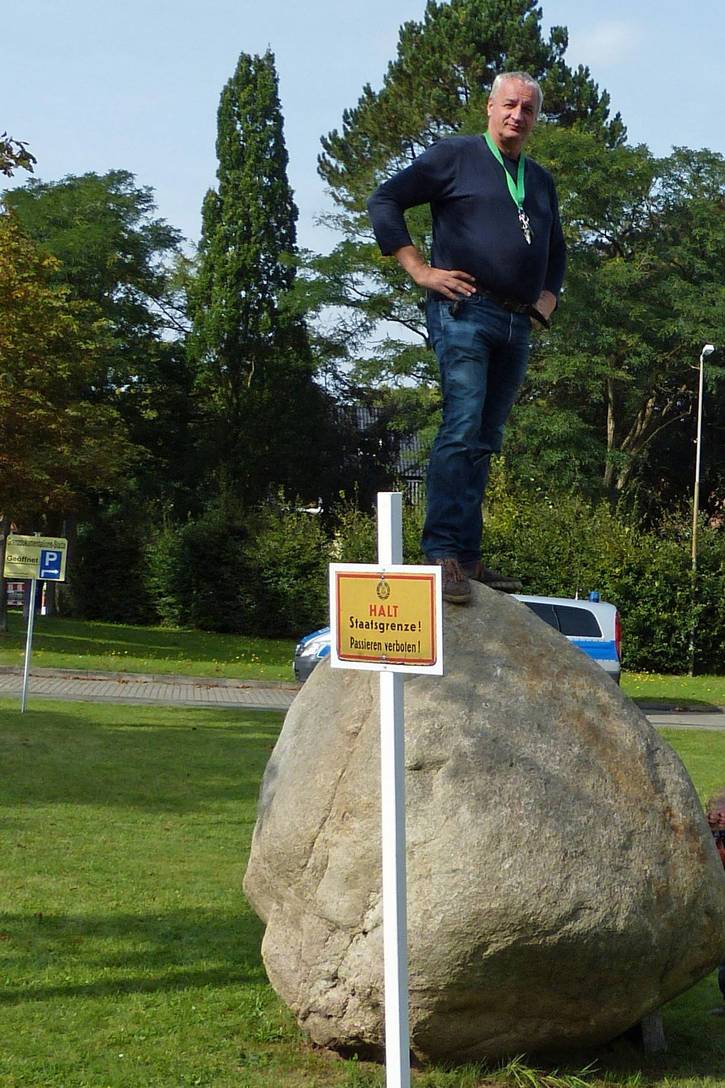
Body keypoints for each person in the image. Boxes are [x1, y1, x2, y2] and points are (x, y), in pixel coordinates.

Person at [367, 71, 566, 603]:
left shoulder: (540, 180)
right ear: (489, 107)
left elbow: (557, 248)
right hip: (462, 310)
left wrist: (548, 297)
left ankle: (471, 558)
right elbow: (385, 200)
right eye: (508, 105)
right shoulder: (454, 156)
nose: (516, 116)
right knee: (461, 422)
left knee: (485, 437)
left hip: (515, 321)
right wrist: (418, 268)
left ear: (535, 118)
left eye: (527, 109)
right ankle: (442, 554)